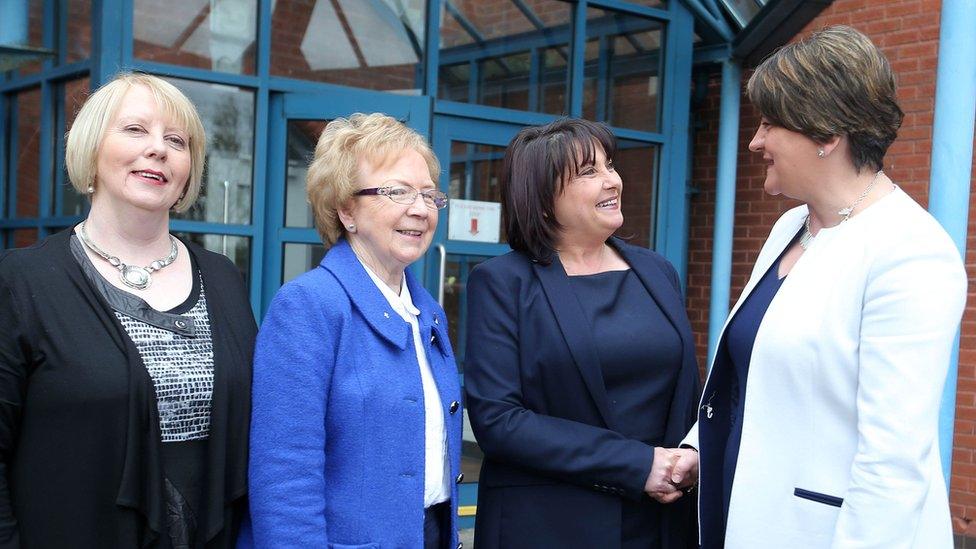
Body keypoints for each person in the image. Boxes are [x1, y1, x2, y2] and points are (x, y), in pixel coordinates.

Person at [673, 26, 968, 548]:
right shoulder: (790, 227)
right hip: (738, 511)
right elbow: (756, 375)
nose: (755, 142)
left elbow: (891, 461)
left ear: (827, 134)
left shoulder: (910, 253)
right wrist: (700, 447)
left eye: (769, 124)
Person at [0, 73, 256, 548]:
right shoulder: (23, 280)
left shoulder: (223, 279)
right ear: (91, 149)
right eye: (135, 130)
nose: (158, 149)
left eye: (176, 140)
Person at [464, 118, 701, 549]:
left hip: (662, 521)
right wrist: (635, 463)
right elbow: (499, 421)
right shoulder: (501, 282)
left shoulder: (657, 271)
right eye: (589, 172)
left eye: (610, 165)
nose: (612, 181)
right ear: (540, 199)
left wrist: (691, 456)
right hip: (551, 524)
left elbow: (686, 393)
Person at [242, 113, 463, 549]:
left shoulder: (428, 311)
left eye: (427, 194)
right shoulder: (308, 305)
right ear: (346, 211)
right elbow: (285, 473)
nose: (418, 208)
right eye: (396, 191)